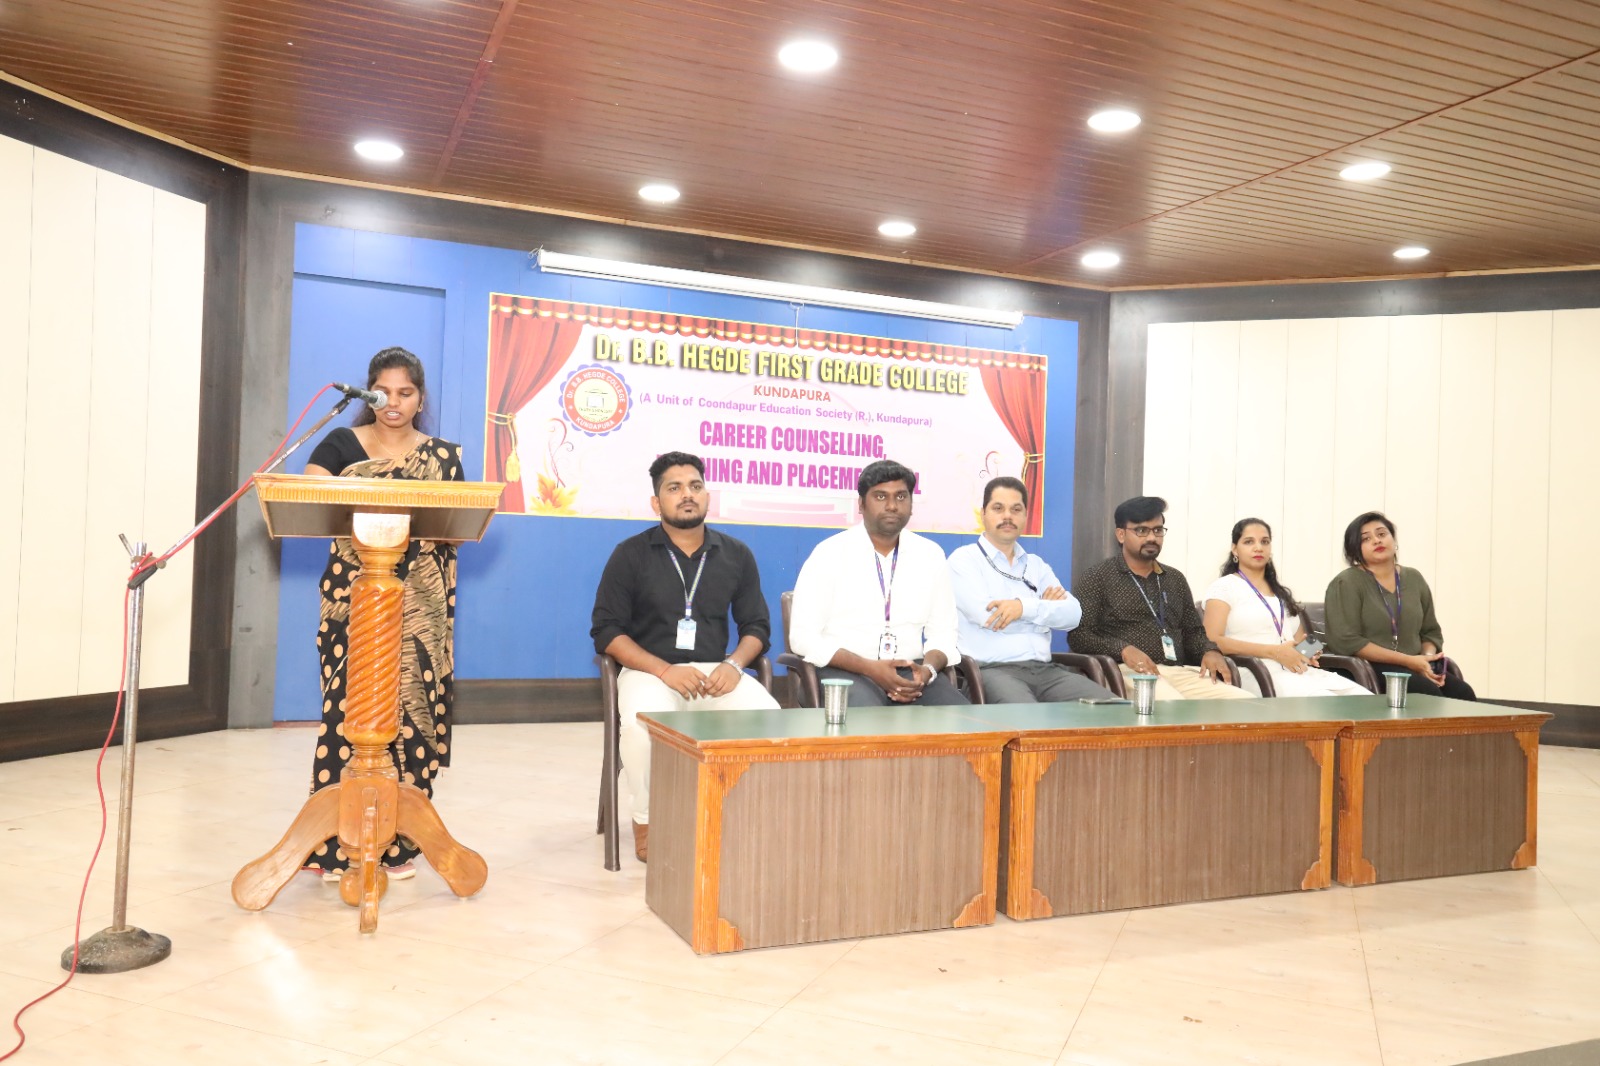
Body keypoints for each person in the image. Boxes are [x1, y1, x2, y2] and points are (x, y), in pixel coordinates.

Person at [301, 347, 464, 882]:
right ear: (368, 393)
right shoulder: (341, 444)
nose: (393, 402)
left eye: (405, 392)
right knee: (348, 713)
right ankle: (334, 847)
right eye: (383, 391)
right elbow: (311, 496)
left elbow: (455, 526)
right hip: (354, 599)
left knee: (409, 714)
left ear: (420, 398)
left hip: (418, 605)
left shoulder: (442, 458)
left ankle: (397, 846)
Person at [591, 451, 779, 861]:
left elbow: (757, 627)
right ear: (656, 502)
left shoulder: (736, 554)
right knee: (641, 730)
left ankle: (750, 818)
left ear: (707, 495)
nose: (687, 494)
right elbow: (606, 631)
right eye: (674, 488)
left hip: (717, 672)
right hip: (650, 670)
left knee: (772, 720)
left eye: (695, 486)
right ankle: (647, 822)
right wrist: (664, 670)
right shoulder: (630, 554)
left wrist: (734, 665)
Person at [790, 459, 968, 706]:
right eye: (881, 497)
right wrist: (870, 668)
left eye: (901, 497)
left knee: (960, 720)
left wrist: (926, 671)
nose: (892, 506)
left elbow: (944, 633)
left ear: (911, 505)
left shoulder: (930, 555)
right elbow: (803, 637)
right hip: (844, 671)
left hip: (911, 672)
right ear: (861, 504)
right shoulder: (829, 554)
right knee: (871, 721)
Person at [946, 477, 1118, 702]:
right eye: (998, 508)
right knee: (1028, 717)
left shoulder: (1036, 565)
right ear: (983, 513)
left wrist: (1021, 608)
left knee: (1113, 709)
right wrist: (1044, 615)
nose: (1008, 516)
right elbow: (988, 617)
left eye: (1016, 509)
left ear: (1026, 516)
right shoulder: (964, 560)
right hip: (992, 671)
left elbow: (1073, 615)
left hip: (1047, 672)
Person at [1073, 495, 1253, 700]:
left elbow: (1193, 632)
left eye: (1158, 530)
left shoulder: (1174, 579)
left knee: (1244, 703)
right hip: (1127, 672)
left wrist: (1210, 651)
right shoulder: (1098, 577)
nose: (1152, 538)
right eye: (1142, 530)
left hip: (1179, 673)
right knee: (1172, 706)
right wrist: (1123, 650)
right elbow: (1079, 635)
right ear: (1121, 534)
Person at [1202, 518, 1368, 697]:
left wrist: (1308, 652)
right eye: (1249, 542)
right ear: (1235, 549)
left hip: (1298, 672)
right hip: (1256, 673)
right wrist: (1275, 652)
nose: (1258, 547)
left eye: (1265, 542)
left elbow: (1300, 642)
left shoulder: (1280, 593)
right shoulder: (1224, 587)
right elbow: (1211, 639)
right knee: (1326, 701)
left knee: (1364, 698)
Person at [1324, 511, 1476, 700]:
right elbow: (1347, 641)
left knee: (1463, 693)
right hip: (1369, 666)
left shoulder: (1413, 578)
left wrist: (1426, 659)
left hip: (1414, 664)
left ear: (1393, 540)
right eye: (1366, 539)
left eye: (1382, 534)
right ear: (1354, 549)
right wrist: (1410, 661)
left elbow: (1430, 632)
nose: (1377, 541)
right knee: (1426, 694)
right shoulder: (1346, 583)